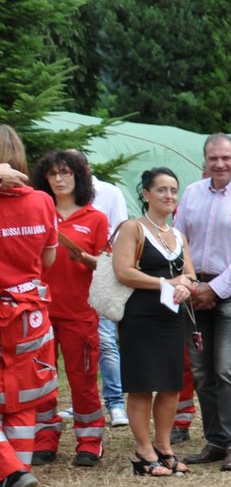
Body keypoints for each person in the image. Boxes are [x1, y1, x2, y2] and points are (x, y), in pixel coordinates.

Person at [175, 133, 231, 474]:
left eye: (225, 157)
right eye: (213, 158)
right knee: (200, 368)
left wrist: (215, 288)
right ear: (205, 160)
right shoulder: (191, 193)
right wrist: (192, 284)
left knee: (226, 366)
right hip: (194, 289)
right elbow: (179, 238)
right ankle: (215, 440)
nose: (219, 163)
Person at [114, 168, 198, 477]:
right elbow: (124, 271)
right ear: (146, 194)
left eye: (174, 190)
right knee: (142, 386)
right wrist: (166, 283)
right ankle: (143, 451)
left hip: (170, 317)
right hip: (140, 315)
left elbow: (189, 275)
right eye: (161, 189)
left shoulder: (178, 235)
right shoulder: (133, 228)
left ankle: (165, 448)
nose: (169, 196)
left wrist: (184, 285)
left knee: (170, 386)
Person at [31, 150, 110, 468]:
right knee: (41, 380)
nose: (60, 179)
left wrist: (88, 260)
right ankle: (44, 439)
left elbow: (107, 267)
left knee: (83, 379)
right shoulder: (36, 213)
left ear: (79, 177)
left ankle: (90, 441)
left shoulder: (96, 218)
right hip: (39, 310)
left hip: (80, 311)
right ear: (44, 179)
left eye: (66, 172)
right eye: (52, 174)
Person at [0, 128, 56, 487]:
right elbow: (49, 260)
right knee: (21, 404)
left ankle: (12, 475)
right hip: (32, 313)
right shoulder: (42, 201)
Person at [85, 156, 129, 429]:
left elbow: (121, 231)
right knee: (82, 345)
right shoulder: (61, 197)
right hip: (71, 280)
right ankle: (83, 403)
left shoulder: (110, 193)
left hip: (100, 276)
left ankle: (115, 403)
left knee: (106, 341)